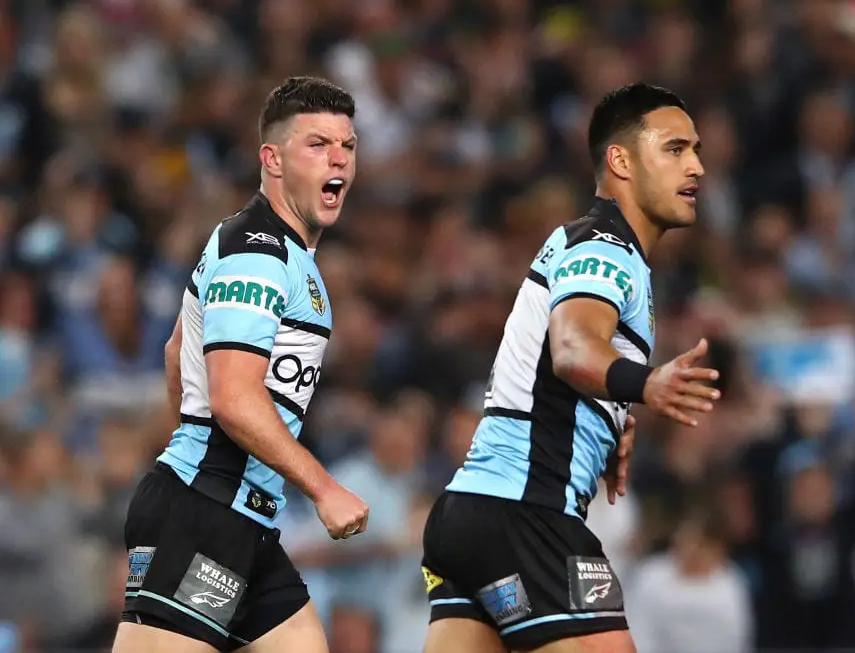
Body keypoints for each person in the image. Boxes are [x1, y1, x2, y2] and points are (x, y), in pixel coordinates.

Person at [420, 82, 720, 653]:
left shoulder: (587, 245)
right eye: (675, 149)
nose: (697, 167)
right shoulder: (605, 245)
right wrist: (645, 383)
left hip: (471, 516)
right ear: (621, 161)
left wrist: (607, 422)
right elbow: (573, 349)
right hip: (526, 514)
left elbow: (547, 365)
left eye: (696, 150)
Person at [112, 76, 370, 653]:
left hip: (243, 517)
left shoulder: (277, 251)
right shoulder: (257, 252)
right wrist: (323, 489)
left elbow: (177, 352)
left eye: (347, 146)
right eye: (317, 144)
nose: (339, 159)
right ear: (272, 160)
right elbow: (232, 396)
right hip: (204, 513)